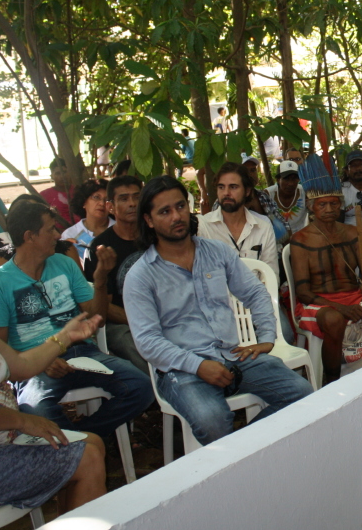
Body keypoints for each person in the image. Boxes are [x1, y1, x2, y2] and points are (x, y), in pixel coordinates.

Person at [124, 176, 312, 445]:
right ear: (149, 220)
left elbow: (255, 292)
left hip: (233, 355)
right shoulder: (141, 275)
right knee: (213, 421)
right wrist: (198, 366)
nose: (176, 216)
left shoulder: (217, 252)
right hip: (182, 369)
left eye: (180, 206)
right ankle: (238, 460)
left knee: (301, 392)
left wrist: (268, 336)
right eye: (164, 211)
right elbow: (147, 342)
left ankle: (238, 454)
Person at [0, 226, 107, 522]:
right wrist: (20, 420)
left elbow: (20, 365)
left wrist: (66, 337)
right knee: (88, 458)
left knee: (90, 443)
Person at [0, 202, 154, 439]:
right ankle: (81, 446)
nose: (57, 235)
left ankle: (83, 440)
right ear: (30, 236)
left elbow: (97, 319)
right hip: (34, 365)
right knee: (36, 409)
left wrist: (101, 278)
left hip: (82, 354)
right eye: (51, 230)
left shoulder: (63, 264)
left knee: (142, 387)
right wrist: (38, 361)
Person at [291, 154, 362, 383]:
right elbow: (304, 292)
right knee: (335, 320)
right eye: (322, 204)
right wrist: (341, 308)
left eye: (333, 203)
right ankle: (333, 382)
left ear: (341, 205)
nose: (329, 209)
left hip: (354, 298)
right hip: (318, 304)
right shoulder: (300, 240)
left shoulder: (351, 233)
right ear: (312, 206)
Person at [197, 162, 293, 342]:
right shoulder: (203, 226)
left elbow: (271, 275)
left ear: (247, 191)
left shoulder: (263, 225)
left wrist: (254, 306)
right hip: (219, 306)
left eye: (233, 187)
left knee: (285, 336)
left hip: (257, 300)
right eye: (221, 187)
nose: (226, 193)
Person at [84, 176, 149, 374]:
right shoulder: (100, 247)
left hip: (166, 314)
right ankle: (165, 391)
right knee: (129, 342)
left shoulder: (156, 237)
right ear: (110, 206)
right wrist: (140, 319)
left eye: (137, 197)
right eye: (124, 199)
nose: (132, 203)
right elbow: (104, 304)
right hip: (122, 323)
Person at [61, 179, 114, 263]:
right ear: (84, 202)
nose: (102, 203)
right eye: (96, 197)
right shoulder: (70, 234)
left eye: (107, 199)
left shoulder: (120, 229)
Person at [265, 160, 308, 237]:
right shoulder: (268, 194)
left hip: (301, 238)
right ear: (278, 180)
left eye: (294, 179)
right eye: (286, 179)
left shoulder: (304, 192)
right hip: (276, 239)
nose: (291, 183)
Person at [40, 158, 76, 229]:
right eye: (57, 173)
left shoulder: (79, 191)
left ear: (69, 173)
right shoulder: (44, 195)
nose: (62, 176)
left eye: (64, 172)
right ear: (52, 176)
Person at [340, 151, 362, 226]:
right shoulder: (342, 190)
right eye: (353, 166)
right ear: (347, 171)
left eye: (361, 165)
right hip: (350, 232)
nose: (358, 169)